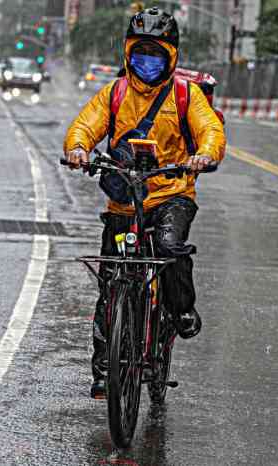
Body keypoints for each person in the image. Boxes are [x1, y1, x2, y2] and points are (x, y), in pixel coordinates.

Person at [63, 7, 226, 399]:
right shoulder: (114, 93)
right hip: (125, 199)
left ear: (171, 57)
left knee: (169, 249)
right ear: (127, 54)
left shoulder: (186, 95)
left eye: (156, 55)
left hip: (171, 195)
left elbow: (211, 131)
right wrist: (79, 149)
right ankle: (104, 371)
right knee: (110, 284)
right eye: (140, 54)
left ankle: (182, 309)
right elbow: (84, 126)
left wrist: (204, 155)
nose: (147, 63)